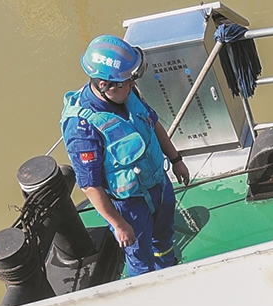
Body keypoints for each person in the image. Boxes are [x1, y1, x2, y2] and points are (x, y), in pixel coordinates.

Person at [61, 35, 192, 277]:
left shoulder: (127, 93)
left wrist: (176, 160)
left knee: (164, 239)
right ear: (105, 85)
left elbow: (153, 125)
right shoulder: (82, 127)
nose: (133, 86)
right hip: (129, 206)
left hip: (159, 186)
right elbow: (90, 185)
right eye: (127, 82)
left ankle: (170, 271)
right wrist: (118, 224)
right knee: (140, 259)